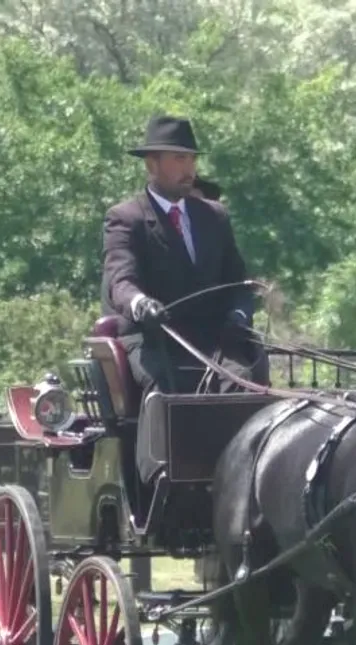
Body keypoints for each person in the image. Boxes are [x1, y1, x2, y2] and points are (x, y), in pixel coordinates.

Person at [100, 114, 270, 491]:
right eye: (178, 159)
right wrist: (142, 303)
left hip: (211, 340)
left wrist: (240, 312)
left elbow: (240, 283)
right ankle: (159, 477)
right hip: (151, 338)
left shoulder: (214, 216)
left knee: (244, 381)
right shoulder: (126, 219)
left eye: (191, 159)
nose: (189, 168)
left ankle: (242, 475)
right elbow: (120, 280)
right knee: (167, 383)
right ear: (152, 164)